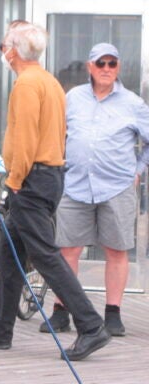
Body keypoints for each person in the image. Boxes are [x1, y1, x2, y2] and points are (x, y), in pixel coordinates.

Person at [0, 21, 111, 361]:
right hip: (48, 176)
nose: (2, 51)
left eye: (3, 46)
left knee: (44, 255)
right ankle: (0, 329)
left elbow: (26, 138)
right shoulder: (49, 81)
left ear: (13, 51)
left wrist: (13, 182)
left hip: (31, 179)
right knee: (9, 254)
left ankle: (91, 326)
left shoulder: (27, 84)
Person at [40, 43, 149, 337]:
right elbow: (54, 133)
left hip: (117, 188)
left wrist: (138, 171)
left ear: (118, 68)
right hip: (75, 185)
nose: (106, 69)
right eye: (100, 63)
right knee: (68, 250)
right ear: (89, 66)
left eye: (112, 64)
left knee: (116, 250)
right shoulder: (72, 98)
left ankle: (113, 314)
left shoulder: (133, 104)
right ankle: (61, 310)